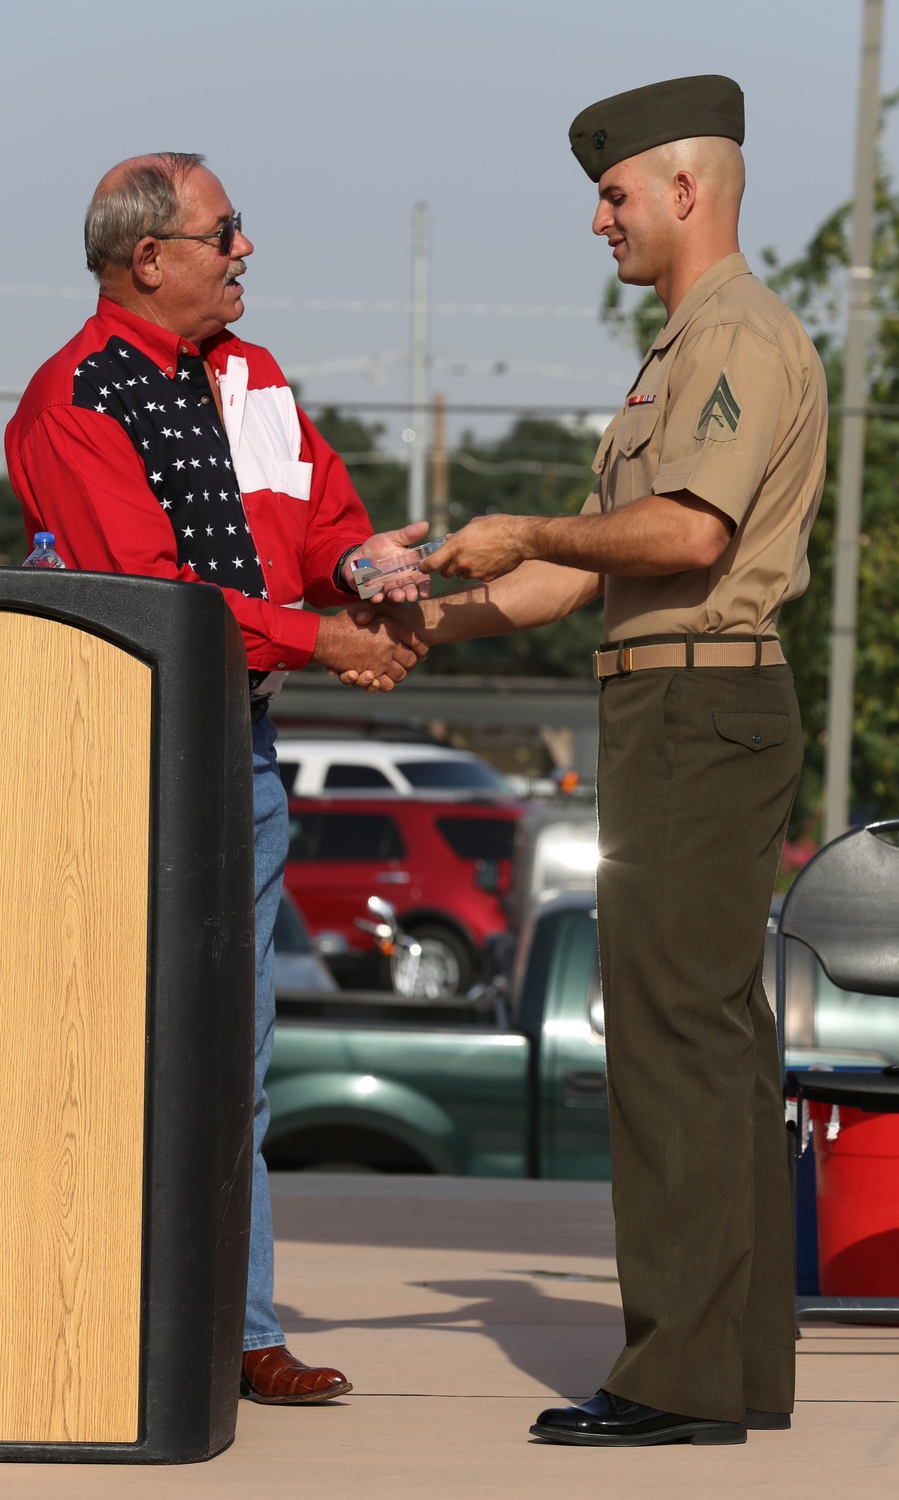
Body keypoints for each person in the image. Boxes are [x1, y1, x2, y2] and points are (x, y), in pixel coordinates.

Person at [359, 75, 827, 1447]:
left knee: (676, 1044)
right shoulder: (685, 348)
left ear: (687, 191)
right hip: (681, 706)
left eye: (614, 193)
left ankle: (677, 1379)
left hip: (700, 708)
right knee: (716, 1041)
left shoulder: (734, 333)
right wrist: (421, 621)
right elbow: (582, 577)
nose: (598, 219)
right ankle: (733, 1366)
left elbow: (684, 539)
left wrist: (525, 528)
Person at [6, 151, 430, 1406]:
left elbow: (319, 519)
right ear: (149, 258)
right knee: (107, 1048)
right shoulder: (72, 400)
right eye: (226, 231)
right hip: (118, 759)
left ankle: (235, 1328)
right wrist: (321, 638)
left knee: (234, 1055)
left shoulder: (253, 378)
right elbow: (158, 610)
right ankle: (84, 1311)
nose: (245, 251)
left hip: (236, 750)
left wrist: (363, 573)